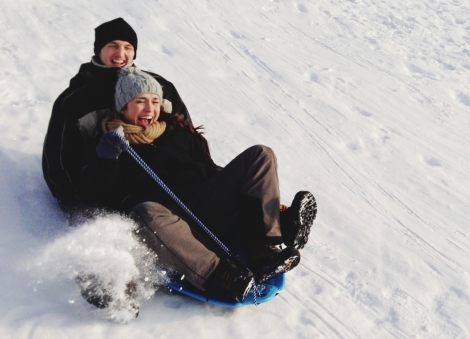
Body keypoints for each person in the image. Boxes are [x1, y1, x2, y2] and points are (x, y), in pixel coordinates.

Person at [77, 67, 317, 307]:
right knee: (147, 211)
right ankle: (224, 276)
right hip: (165, 228)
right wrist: (106, 159)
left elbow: (212, 171)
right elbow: (97, 199)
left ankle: (265, 249)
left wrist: (259, 197)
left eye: (154, 101)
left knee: (261, 155)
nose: (149, 109)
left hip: (205, 208)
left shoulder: (178, 133)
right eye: (140, 101)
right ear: (123, 106)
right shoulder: (110, 145)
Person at [42, 18, 191, 216]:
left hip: (169, 182)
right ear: (99, 50)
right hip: (109, 192)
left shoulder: (160, 87)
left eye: (128, 47)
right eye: (113, 46)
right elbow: (58, 156)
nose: (121, 54)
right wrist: (73, 202)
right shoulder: (77, 99)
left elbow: (187, 134)